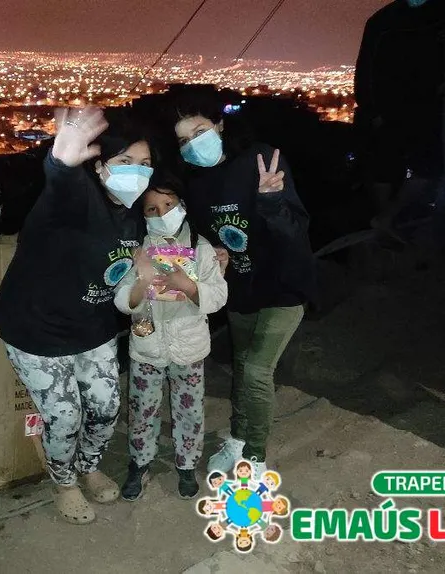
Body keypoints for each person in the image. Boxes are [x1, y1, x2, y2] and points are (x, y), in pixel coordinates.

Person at [0, 107, 153, 525]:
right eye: (125, 161)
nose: (137, 172)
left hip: (92, 326)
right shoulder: (77, 201)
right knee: (64, 417)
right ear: (98, 166)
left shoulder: (133, 213)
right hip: (38, 328)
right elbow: (62, 187)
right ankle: (63, 483)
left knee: (106, 406)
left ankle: (88, 465)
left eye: (145, 163)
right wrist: (61, 162)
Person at [170, 88, 316, 480]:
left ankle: (255, 456)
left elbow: (295, 230)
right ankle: (236, 438)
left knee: (256, 371)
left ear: (219, 125)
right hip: (241, 287)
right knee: (241, 366)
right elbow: (208, 236)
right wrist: (215, 254)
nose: (192, 144)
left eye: (199, 132)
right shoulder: (197, 183)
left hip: (283, 283)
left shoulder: (260, 161)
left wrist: (271, 200)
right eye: (183, 140)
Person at [115, 176, 228, 501]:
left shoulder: (201, 248)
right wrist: (141, 280)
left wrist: (188, 286)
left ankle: (187, 464)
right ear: (143, 214)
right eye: (152, 208)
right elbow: (121, 299)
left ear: (183, 206)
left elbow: (219, 295)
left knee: (190, 410)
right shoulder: (138, 250)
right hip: (146, 347)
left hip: (188, 347)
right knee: (142, 410)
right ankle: (140, 463)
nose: (161, 213)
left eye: (168, 204)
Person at [354, 0, 445, 240]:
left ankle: (387, 218)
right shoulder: (383, 21)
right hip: (388, 107)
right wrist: (372, 110)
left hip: (428, 106)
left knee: (428, 166)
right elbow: (365, 69)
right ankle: (384, 221)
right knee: (383, 168)